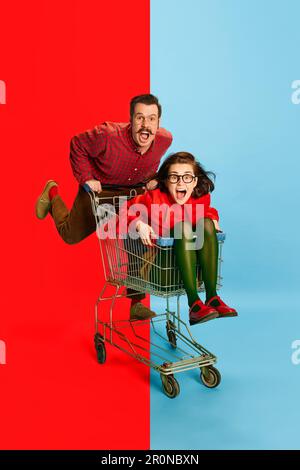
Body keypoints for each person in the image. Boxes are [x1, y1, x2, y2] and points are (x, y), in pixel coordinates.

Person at [35, 94, 173, 320]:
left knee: (138, 239)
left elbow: (157, 163)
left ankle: (136, 303)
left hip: (133, 195)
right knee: (70, 235)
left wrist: (155, 178)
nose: (145, 125)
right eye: (140, 118)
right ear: (131, 120)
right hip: (102, 192)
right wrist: (87, 177)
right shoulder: (108, 135)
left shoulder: (165, 140)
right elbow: (77, 144)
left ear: (158, 123)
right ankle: (52, 196)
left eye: (151, 119)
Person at [122, 152, 237, 325]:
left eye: (187, 177)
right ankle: (194, 304)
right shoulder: (153, 198)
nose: (181, 182)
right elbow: (124, 211)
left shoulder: (201, 198)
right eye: (174, 177)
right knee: (182, 227)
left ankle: (212, 297)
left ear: (195, 181)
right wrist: (139, 225)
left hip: (193, 270)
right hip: (161, 270)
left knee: (205, 223)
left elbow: (207, 211)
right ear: (166, 181)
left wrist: (213, 220)